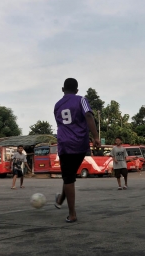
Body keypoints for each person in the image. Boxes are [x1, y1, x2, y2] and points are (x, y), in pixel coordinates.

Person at [53, 78, 101, 223]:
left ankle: (72, 214)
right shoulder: (81, 100)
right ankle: (61, 198)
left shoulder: (57, 105)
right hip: (80, 144)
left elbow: (61, 123)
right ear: (77, 90)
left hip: (65, 144)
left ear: (63, 89)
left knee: (68, 177)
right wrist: (96, 136)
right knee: (70, 175)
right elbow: (88, 115)